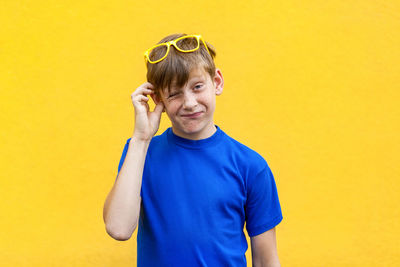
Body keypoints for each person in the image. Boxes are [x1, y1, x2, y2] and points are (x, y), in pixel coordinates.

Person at [103, 33, 283, 267]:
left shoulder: (251, 166)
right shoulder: (140, 154)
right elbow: (118, 228)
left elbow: (266, 261)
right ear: (158, 100)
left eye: (197, 87)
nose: (189, 102)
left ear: (216, 82)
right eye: (174, 94)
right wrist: (140, 139)